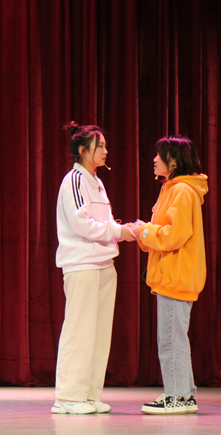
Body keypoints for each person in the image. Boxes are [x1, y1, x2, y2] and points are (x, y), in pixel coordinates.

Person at [52, 122, 138, 415]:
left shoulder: (97, 182)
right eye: (99, 146)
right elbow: (82, 224)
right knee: (79, 331)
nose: (105, 150)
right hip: (82, 264)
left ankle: (89, 394)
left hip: (103, 263)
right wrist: (118, 231)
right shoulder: (74, 181)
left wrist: (122, 231)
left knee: (99, 334)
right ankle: (67, 397)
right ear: (82, 150)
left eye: (104, 145)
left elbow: (104, 222)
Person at [132, 135, 208, 415]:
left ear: (174, 161)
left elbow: (174, 235)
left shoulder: (182, 191)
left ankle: (177, 396)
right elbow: (162, 231)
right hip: (171, 274)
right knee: (176, 338)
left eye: (159, 155)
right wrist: (144, 232)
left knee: (170, 340)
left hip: (176, 275)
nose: (154, 160)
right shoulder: (172, 189)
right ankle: (183, 395)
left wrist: (144, 230)